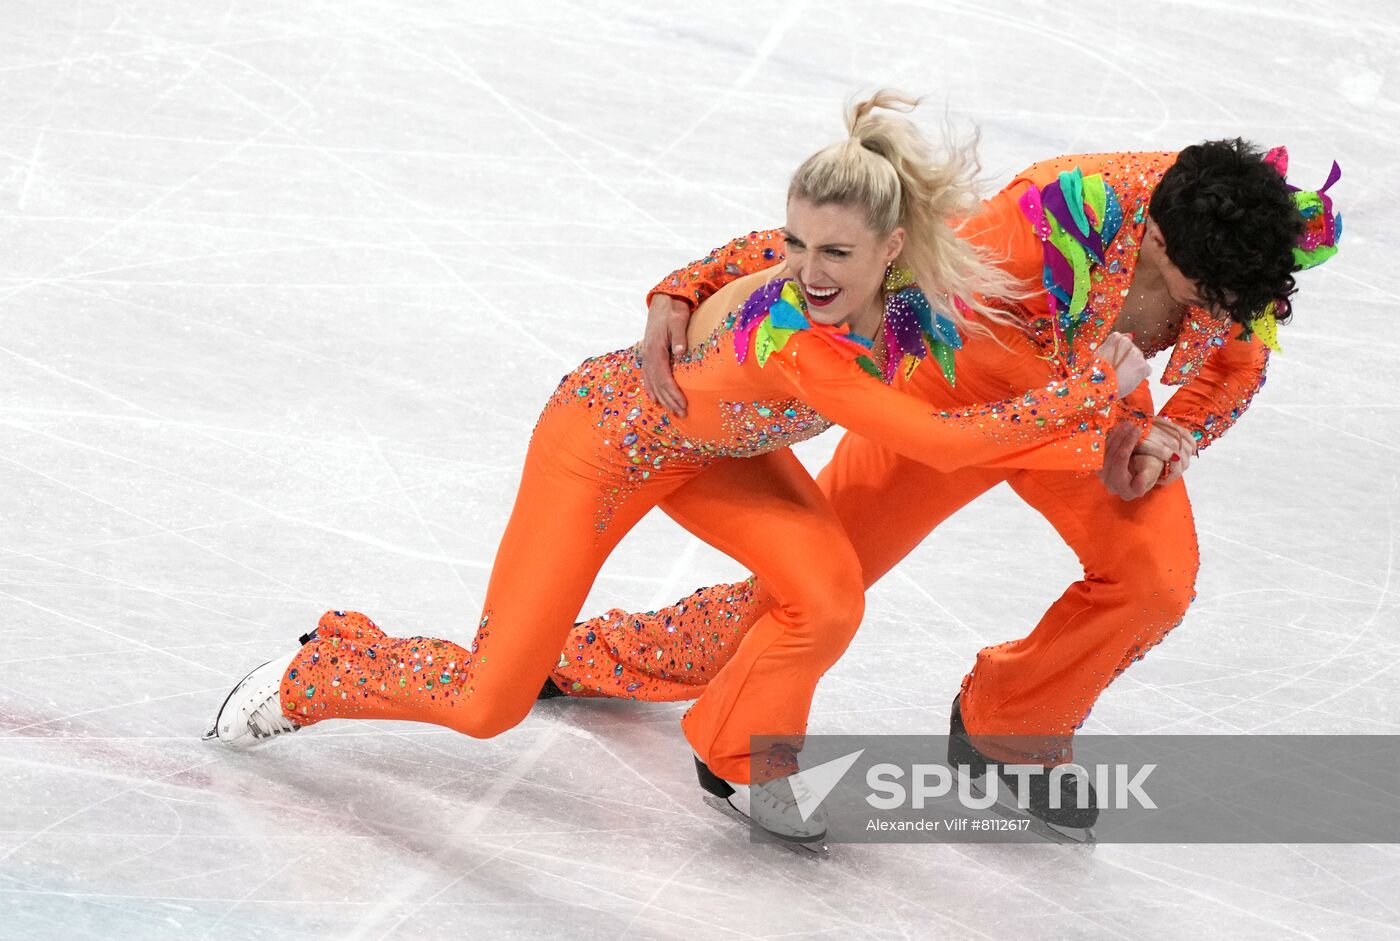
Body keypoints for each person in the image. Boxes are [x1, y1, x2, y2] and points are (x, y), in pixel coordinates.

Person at [204, 91, 1147, 849]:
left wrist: (678, 286)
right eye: (796, 244)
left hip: (722, 452)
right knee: (488, 701)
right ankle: (332, 664)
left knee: (825, 596)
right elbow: (938, 443)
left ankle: (738, 754)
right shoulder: (796, 342)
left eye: (834, 251)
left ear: (893, 249)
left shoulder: (909, 295)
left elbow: (755, 258)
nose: (806, 271)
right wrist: (1091, 398)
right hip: (607, 442)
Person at [541, 140, 1342, 839]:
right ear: (1162, 241)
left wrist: (1176, 432)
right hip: (951, 397)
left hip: (1091, 413)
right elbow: (862, 258)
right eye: (1209, 298)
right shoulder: (1043, 214)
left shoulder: (1243, 246)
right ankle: (584, 657)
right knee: (808, 593)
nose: (1226, 314)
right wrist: (690, 285)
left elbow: (1239, 358)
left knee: (1154, 578)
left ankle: (1010, 727)